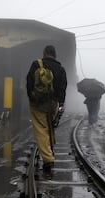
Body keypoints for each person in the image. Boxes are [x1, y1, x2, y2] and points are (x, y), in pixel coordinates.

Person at [26, 45, 67, 178]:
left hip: (38, 103)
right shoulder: (60, 69)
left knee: (41, 129)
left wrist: (31, 97)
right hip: (53, 102)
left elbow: (29, 82)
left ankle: (48, 159)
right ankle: (50, 151)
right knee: (50, 127)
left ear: (44, 53)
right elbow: (62, 87)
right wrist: (61, 104)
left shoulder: (36, 64)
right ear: (55, 55)